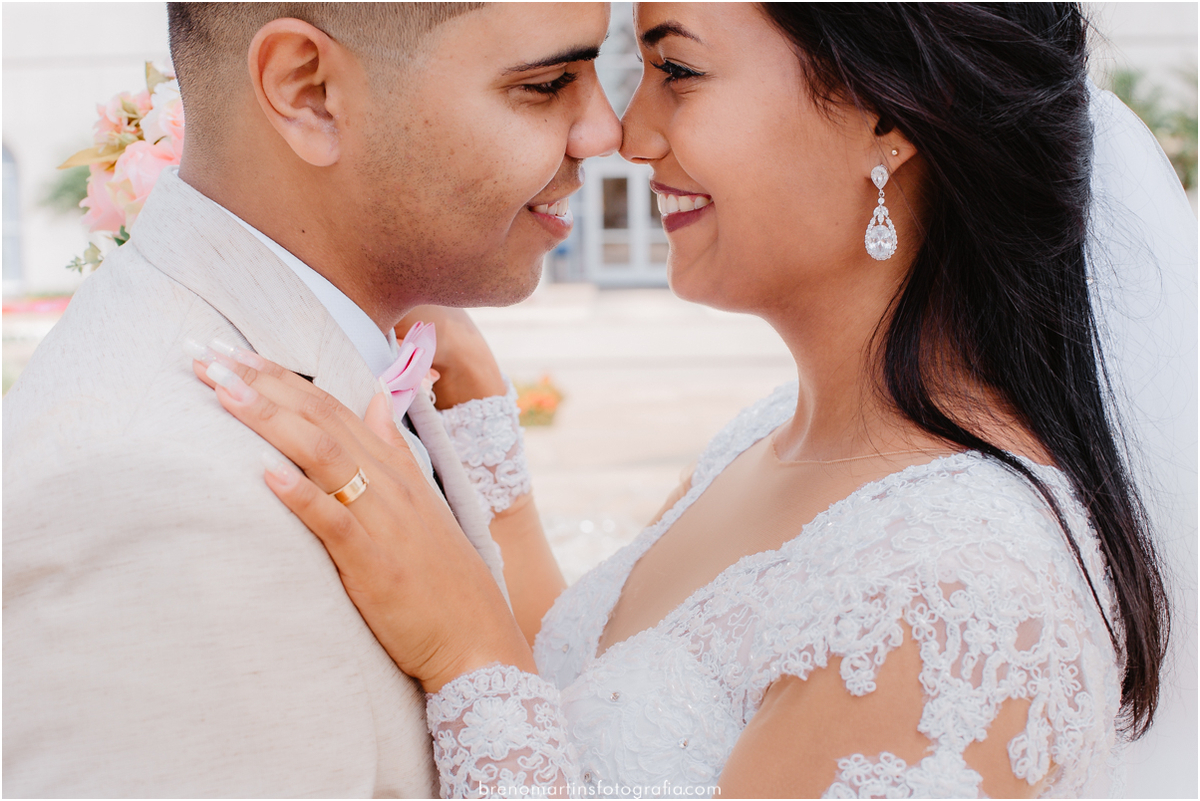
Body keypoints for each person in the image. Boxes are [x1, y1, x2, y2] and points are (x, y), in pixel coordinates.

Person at [192, 3, 1184, 798]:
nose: (628, 134)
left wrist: (466, 655)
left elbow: (517, 693)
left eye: (677, 70)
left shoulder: (958, 604)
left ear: (888, 110)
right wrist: (489, 452)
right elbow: (593, 686)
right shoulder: (774, 438)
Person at [2, 3, 620, 796]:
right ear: (309, 91)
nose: (606, 130)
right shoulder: (153, 498)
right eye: (545, 85)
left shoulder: (306, 355)